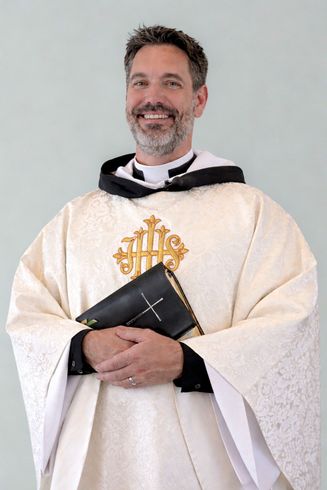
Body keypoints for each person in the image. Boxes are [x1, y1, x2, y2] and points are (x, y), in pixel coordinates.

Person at [6, 25, 319, 490]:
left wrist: (187, 361)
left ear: (199, 99)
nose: (153, 98)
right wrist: (83, 347)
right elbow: (28, 317)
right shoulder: (75, 221)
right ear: (126, 97)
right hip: (98, 458)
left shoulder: (252, 216)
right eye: (140, 83)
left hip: (209, 459)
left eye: (171, 83)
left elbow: (289, 323)